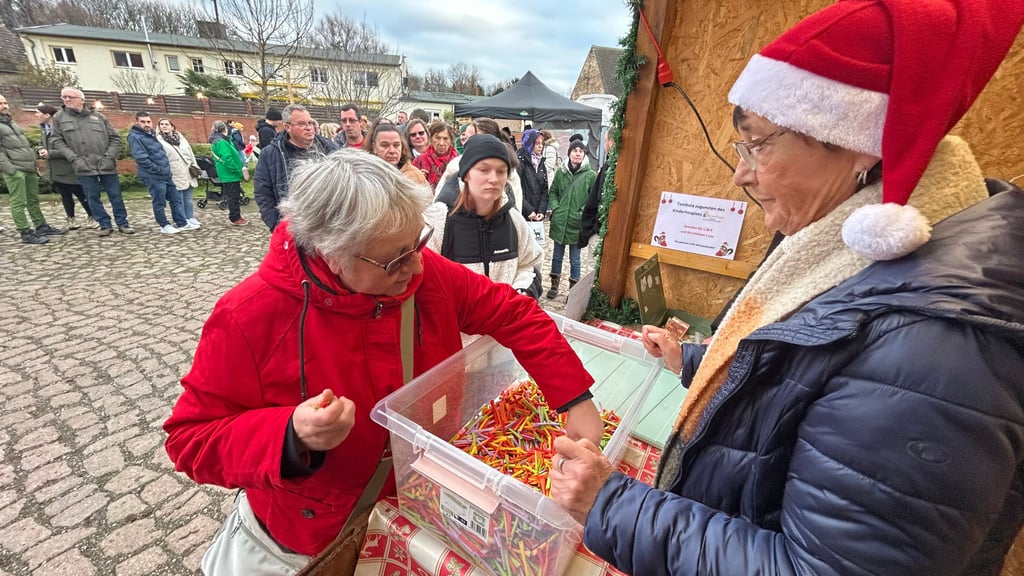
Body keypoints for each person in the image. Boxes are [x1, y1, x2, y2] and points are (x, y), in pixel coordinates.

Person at [549, 2, 1024, 575]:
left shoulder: (931, 343)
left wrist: (612, 503)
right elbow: (805, 379)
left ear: (854, 144)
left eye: (757, 145)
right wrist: (697, 359)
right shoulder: (858, 258)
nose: (740, 173)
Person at [163, 148, 604, 574]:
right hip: (316, 539)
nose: (415, 267)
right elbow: (190, 439)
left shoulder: (424, 272)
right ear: (332, 253)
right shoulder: (249, 315)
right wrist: (290, 433)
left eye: (418, 243)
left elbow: (515, 313)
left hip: (421, 511)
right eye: (395, 258)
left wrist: (574, 397)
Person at [424, 134, 542, 298]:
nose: (493, 179)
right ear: (466, 174)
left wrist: (520, 293)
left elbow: (530, 264)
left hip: (503, 320)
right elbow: (423, 278)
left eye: (501, 171)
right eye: (484, 170)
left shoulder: (514, 219)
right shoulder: (438, 221)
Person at [50, 87, 134, 236]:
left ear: (82, 99)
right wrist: (73, 158)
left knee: (115, 195)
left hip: (105, 163)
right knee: (91, 196)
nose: (67, 100)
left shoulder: (98, 116)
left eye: (71, 97)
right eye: (64, 97)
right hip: (82, 165)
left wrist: (109, 157)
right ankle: (104, 224)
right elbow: (56, 140)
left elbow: (115, 139)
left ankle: (122, 223)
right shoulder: (59, 118)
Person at [254, 104, 338, 231]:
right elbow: (263, 192)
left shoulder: (329, 148)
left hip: (327, 226)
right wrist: (276, 224)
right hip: (292, 226)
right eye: (302, 124)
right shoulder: (271, 154)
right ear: (287, 127)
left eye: (310, 123)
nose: (309, 128)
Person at [0, 94, 66, 244]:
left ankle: (41, 225)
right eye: (1, 103)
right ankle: (25, 231)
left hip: (28, 167)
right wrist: (11, 170)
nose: (5, 106)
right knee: (19, 202)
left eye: (5, 102)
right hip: (15, 170)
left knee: (33, 199)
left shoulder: (10, 123)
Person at [545, 137, 596, 299]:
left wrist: (582, 212)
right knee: (557, 256)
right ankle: (554, 285)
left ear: (584, 155)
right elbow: (553, 192)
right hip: (560, 221)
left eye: (581, 151)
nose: (578, 153)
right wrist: (556, 207)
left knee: (575, 259)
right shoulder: (561, 172)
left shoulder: (590, 175)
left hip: (576, 222)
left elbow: (592, 198)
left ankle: (573, 291)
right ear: (569, 153)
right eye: (575, 150)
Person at [438, 118, 523, 209]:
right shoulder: (455, 166)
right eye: (465, 138)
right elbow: (440, 203)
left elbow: (515, 210)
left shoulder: (510, 172)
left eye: (500, 171)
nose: (493, 179)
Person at [36, 103, 95, 231]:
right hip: (55, 169)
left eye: (38, 113)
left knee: (81, 193)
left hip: (69, 168)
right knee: (65, 195)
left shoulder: (62, 129)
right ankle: (71, 219)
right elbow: (41, 143)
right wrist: (40, 149)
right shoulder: (44, 128)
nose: (36, 115)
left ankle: (92, 216)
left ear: (47, 115)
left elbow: (71, 149)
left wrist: (50, 153)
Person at [127, 112, 188, 234]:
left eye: (148, 121)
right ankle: (164, 225)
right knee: (159, 201)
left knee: (175, 198)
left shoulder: (152, 134)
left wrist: (165, 169)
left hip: (166, 173)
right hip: (153, 175)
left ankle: (181, 222)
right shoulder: (135, 137)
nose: (146, 124)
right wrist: (158, 170)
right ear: (137, 122)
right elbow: (141, 158)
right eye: (143, 122)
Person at [157, 118, 201, 230]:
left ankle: (190, 217)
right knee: (178, 198)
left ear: (172, 126)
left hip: (187, 170)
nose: (164, 126)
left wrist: (196, 167)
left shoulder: (180, 137)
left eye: (167, 124)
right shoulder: (159, 140)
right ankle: (181, 219)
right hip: (174, 171)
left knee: (188, 197)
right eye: (161, 124)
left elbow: (190, 152)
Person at [365, 118, 428, 185]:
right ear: (374, 147)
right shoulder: (365, 176)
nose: (392, 151)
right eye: (385, 146)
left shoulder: (415, 176)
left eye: (396, 145)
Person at [209, 121, 248, 226]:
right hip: (229, 174)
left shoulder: (219, 140)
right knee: (233, 196)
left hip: (227, 173)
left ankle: (235, 216)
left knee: (233, 195)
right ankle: (235, 217)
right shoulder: (221, 142)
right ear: (225, 130)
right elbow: (227, 158)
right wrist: (237, 170)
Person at [412, 121, 457, 190]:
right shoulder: (419, 160)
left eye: (445, 139)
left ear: (451, 141)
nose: (441, 143)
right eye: (437, 138)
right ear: (430, 139)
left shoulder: (457, 161)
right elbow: (412, 186)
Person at [516, 128, 548, 223]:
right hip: (522, 213)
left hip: (536, 214)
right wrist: (528, 210)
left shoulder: (541, 163)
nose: (540, 146)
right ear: (529, 143)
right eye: (537, 143)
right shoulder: (520, 162)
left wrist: (541, 211)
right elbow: (516, 190)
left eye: (542, 143)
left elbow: (544, 190)